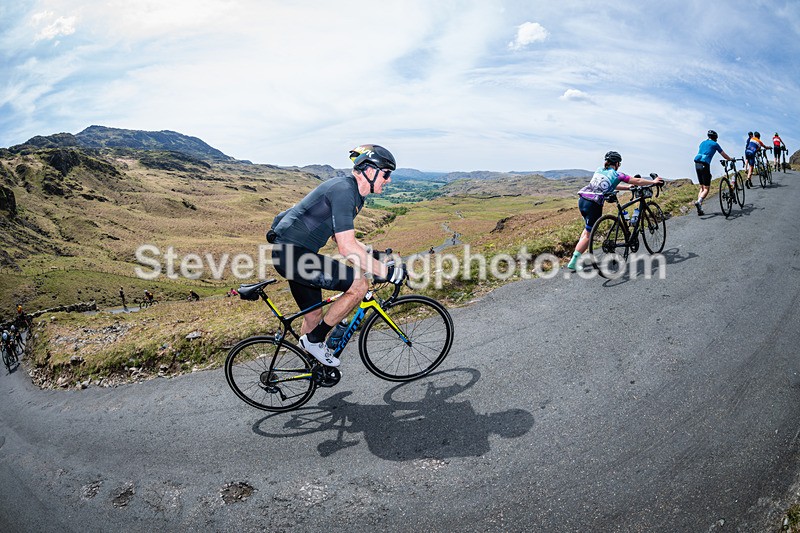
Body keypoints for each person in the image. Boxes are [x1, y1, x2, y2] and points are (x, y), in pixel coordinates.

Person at [269, 144, 406, 367]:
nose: (389, 180)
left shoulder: (351, 192)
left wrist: (372, 254)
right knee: (359, 285)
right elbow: (346, 247)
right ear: (370, 171)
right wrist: (388, 273)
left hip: (291, 256)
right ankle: (314, 342)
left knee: (313, 316)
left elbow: (338, 235)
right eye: (387, 173)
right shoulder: (345, 191)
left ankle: (311, 368)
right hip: (294, 257)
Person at [567, 151, 664, 271]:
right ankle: (574, 261)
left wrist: (628, 188)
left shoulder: (599, 170)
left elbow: (612, 185)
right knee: (589, 234)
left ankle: (579, 255)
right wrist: (653, 182)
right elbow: (638, 181)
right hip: (593, 203)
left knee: (587, 229)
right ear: (617, 163)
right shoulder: (618, 175)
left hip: (582, 200)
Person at [693, 130, 733, 215]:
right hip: (705, 164)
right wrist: (730, 159)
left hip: (697, 164)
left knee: (702, 187)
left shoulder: (702, 143)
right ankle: (699, 202)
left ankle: (699, 208)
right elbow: (723, 154)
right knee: (707, 188)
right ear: (715, 138)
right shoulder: (715, 144)